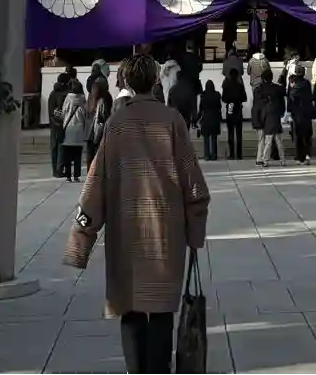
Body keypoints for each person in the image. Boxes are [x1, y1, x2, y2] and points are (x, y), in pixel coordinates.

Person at [65, 52, 210, 375]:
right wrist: (195, 232)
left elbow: (96, 185)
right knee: (161, 310)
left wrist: (80, 242)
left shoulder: (117, 124)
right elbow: (194, 184)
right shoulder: (172, 120)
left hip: (126, 233)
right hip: (166, 233)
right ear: (156, 80)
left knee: (130, 309)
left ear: (126, 82)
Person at [61, 83, 91, 181]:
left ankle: (68, 176)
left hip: (68, 127)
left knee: (67, 154)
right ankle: (76, 175)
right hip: (79, 129)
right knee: (78, 154)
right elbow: (86, 114)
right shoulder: (83, 99)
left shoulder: (68, 98)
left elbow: (64, 111)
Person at [48, 65, 74, 177]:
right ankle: (59, 170)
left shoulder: (52, 93)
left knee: (54, 148)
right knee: (61, 148)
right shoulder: (66, 94)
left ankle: (55, 170)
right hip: (62, 123)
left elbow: (51, 110)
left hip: (53, 124)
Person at [251, 74, 281, 166]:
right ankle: (263, 158)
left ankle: (260, 158)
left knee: (261, 139)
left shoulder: (258, 90)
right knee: (268, 139)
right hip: (267, 117)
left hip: (258, 117)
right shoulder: (273, 90)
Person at [288, 65, 314, 165]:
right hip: (306, 112)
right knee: (307, 135)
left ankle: (299, 157)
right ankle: (307, 155)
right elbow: (310, 97)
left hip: (296, 113)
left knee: (298, 136)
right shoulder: (306, 83)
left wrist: (289, 111)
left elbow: (290, 98)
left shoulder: (292, 84)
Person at [221, 65, 246, 160]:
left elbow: (223, 99)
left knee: (230, 132)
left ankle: (231, 154)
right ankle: (239, 154)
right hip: (238, 108)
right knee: (239, 133)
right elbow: (244, 98)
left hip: (230, 108)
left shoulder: (226, 86)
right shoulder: (240, 86)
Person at [197, 80, 222, 161]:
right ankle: (214, 155)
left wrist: (197, 119)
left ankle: (207, 155)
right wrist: (220, 118)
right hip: (215, 118)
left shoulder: (203, 95)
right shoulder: (217, 95)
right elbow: (219, 107)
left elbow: (201, 109)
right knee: (214, 138)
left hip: (206, 119)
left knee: (206, 138)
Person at [167, 65, 198, 129]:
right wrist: (194, 117)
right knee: (185, 131)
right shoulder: (189, 89)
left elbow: (169, 105)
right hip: (186, 117)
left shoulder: (172, 89)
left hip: (176, 116)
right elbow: (193, 104)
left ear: (177, 77)